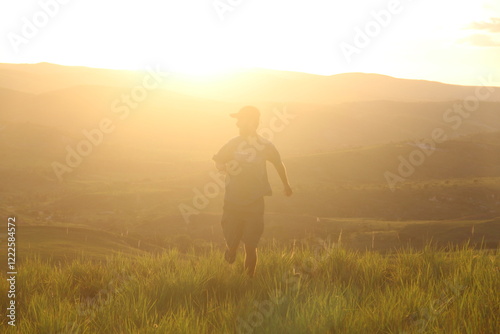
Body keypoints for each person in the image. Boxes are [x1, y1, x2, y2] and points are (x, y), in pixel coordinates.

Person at [213, 106, 293, 277]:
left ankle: (247, 282)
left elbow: (278, 163)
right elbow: (218, 160)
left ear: (251, 122)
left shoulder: (265, 145)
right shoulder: (232, 144)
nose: (237, 123)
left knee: (251, 245)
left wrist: (286, 184)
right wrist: (222, 167)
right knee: (232, 243)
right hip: (232, 202)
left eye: (240, 119)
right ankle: (232, 251)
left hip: (254, 203)